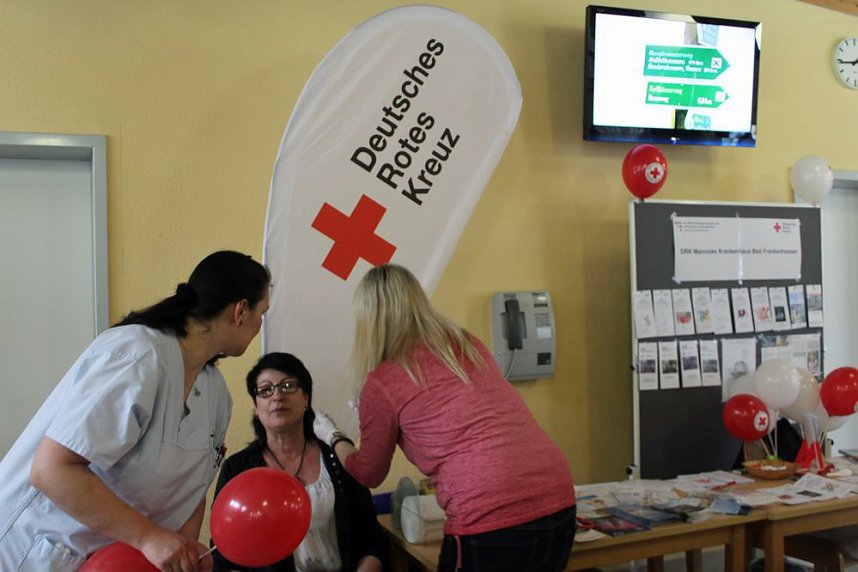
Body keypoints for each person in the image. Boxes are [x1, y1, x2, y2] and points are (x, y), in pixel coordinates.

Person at [0, 250, 270, 572]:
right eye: (261, 313)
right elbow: (51, 470)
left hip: (116, 561)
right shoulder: (137, 356)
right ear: (240, 311)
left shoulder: (215, 395)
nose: (259, 325)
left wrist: (184, 554)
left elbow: (193, 489)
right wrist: (149, 539)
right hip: (34, 551)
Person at [314, 264, 576, 572]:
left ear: (368, 320)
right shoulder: (466, 345)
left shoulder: (382, 382)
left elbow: (369, 473)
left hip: (489, 515)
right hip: (558, 497)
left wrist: (333, 436)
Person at [212, 352, 385, 572]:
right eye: (265, 390)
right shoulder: (237, 470)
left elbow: (372, 539)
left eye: (287, 386)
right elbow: (224, 557)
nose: (277, 396)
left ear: (306, 398)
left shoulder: (337, 457)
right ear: (256, 408)